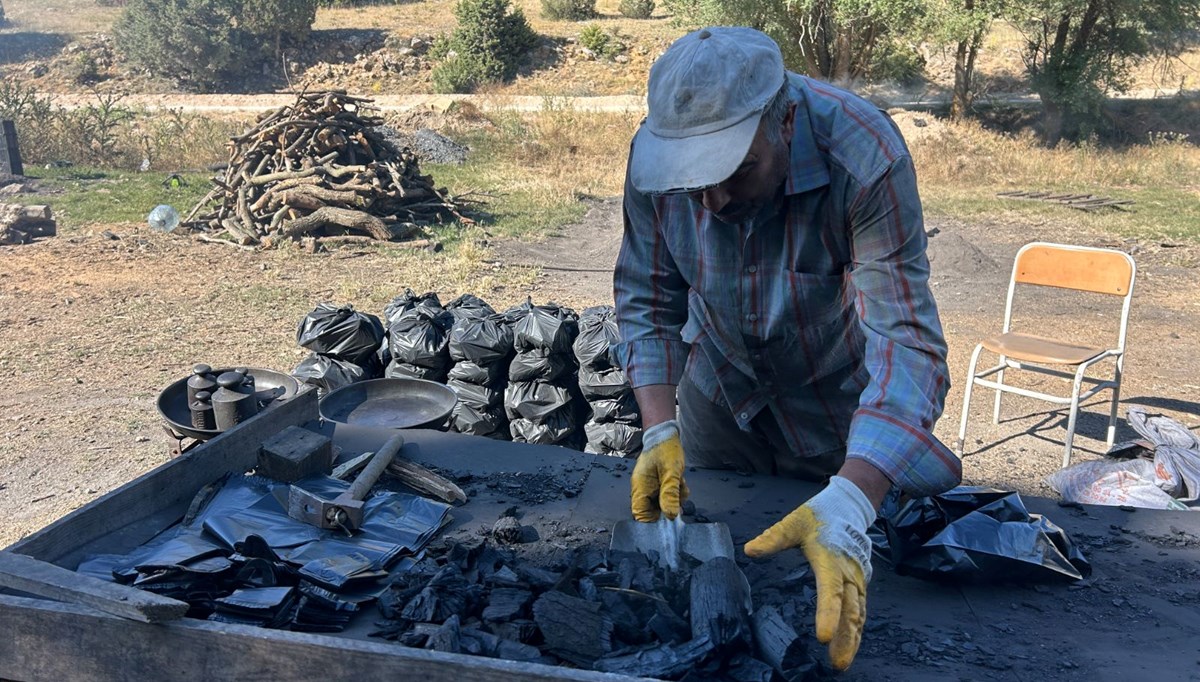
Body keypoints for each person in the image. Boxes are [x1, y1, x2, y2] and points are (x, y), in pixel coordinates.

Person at [612, 26, 962, 671]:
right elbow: (647, 296)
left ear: (785, 123)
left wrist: (853, 501)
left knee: (839, 601)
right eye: (693, 185)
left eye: (737, 172)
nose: (713, 201)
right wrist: (660, 427)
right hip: (720, 393)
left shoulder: (863, 155)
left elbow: (905, 341)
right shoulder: (658, 152)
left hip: (834, 409)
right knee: (720, 578)